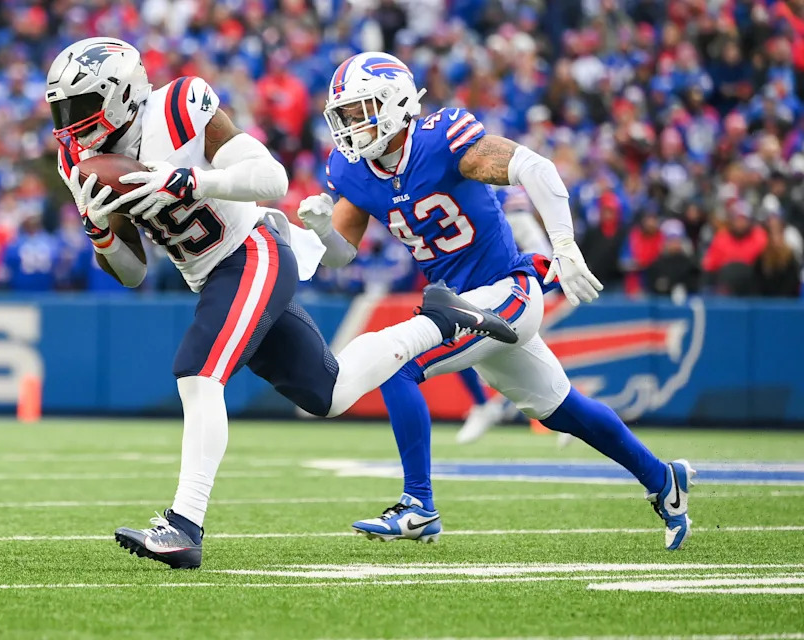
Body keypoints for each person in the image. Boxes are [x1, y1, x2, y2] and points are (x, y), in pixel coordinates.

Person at [45, 38, 513, 570]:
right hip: (210, 277)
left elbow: (272, 177)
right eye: (62, 110)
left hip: (252, 251)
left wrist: (189, 181)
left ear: (122, 94)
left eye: (80, 106)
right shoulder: (76, 158)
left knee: (198, 373)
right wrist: (100, 232)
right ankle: (438, 321)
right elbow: (132, 274)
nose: (70, 123)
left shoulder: (178, 107)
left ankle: (184, 526)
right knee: (328, 393)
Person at [298, 52, 695, 551]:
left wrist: (565, 246)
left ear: (396, 102)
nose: (353, 125)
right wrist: (322, 231)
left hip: (508, 291)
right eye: (347, 115)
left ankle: (419, 504)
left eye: (363, 110)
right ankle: (664, 479)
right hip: (463, 304)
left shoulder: (441, 139)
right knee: (562, 409)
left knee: (396, 363)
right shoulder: (353, 170)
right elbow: (342, 256)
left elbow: (534, 166)